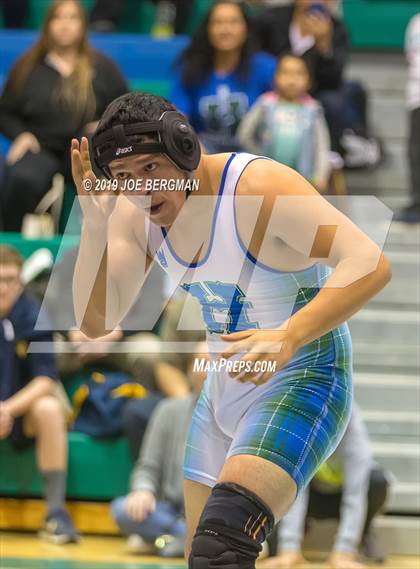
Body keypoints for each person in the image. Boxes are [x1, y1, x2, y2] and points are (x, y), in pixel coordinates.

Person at [71, 91, 391, 568]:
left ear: (183, 147)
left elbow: (370, 262)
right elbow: (96, 321)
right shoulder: (133, 214)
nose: (142, 189)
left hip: (305, 375)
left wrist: (290, 334)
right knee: (203, 561)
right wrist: (94, 230)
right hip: (224, 389)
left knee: (221, 548)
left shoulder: (254, 187)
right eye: (124, 178)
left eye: (151, 169)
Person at [0, 0, 128, 232]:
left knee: (107, 180)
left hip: (88, 149)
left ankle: (105, 243)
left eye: (72, 18)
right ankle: (12, 246)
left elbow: (125, 107)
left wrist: (105, 124)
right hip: (42, 147)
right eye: (58, 18)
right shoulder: (27, 66)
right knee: (23, 179)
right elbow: (5, 111)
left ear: (82, 25)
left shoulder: (103, 66)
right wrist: (21, 134)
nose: (65, 25)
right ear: (48, 24)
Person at [0, 245, 78, 543]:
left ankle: (55, 514)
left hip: (21, 410)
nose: (4, 287)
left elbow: (46, 378)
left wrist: (7, 410)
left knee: (49, 409)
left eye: (10, 280)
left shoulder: (33, 314)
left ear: (20, 281)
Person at [111, 343, 208, 558]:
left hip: (214, 514)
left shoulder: (237, 415)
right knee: (121, 509)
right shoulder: (168, 410)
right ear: (189, 370)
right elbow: (147, 466)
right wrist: (142, 491)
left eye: (215, 363)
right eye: (200, 363)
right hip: (172, 512)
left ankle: (167, 540)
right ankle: (188, 538)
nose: (207, 370)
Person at [252, 0, 379, 165]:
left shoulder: (337, 28)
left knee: (350, 92)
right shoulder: (270, 20)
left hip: (314, 93)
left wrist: (324, 47)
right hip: (273, 91)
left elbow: (333, 81)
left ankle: (341, 146)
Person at [264, 405, 389, 569]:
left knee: (377, 482)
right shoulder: (303, 423)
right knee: (282, 480)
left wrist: (344, 551)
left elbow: (355, 495)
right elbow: (296, 489)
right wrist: (288, 547)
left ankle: (362, 535)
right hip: (312, 497)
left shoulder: (353, 429)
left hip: (338, 497)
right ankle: (292, 531)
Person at [171, 0, 276, 153]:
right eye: (218, 22)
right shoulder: (190, 69)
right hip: (206, 154)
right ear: (207, 29)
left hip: (256, 155)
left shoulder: (265, 67)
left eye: (233, 22)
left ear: (246, 28)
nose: (226, 29)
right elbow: (178, 117)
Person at [237, 52, 330, 192]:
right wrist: (257, 157)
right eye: (285, 73)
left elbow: (322, 145)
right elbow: (244, 134)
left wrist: (320, 175)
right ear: (275, 78)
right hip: (267, 179)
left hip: (303, 181)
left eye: (299, 73)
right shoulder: (266, 104)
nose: (292, 79)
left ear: (309, 80)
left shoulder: (313, 109)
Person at [394, 14, 420, 224]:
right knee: (416, 150)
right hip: (417, 95)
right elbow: (411, 56)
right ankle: (417, 202)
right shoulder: (415, 22)